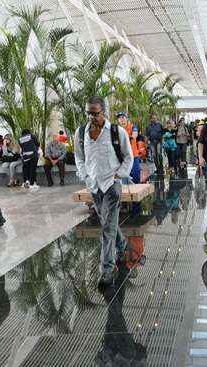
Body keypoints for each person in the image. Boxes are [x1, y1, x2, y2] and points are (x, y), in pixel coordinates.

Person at [74, 96, 133, 286]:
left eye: (95, 113)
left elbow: (128, 157)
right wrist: (85, 175)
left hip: (112, 186)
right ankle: (123, 245)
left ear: (104, 112)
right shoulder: (81, 132)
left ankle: (107, 269)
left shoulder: (117, 132)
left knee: (107, 227)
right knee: (106, 222)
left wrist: (119, 175)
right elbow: (79, 157)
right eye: (88, 113)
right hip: (94, 186)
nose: (91, 117)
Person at [117, 112, 141, 184]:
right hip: (124, 158)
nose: (121, 120)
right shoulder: (117, 129)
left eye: (123, 117)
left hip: (134, 156)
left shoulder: (133, 127)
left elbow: (134, 135)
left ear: (127, 119)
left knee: (136, 175)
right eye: (119, 118)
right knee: (125, 177)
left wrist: (126, 138)